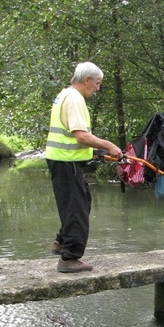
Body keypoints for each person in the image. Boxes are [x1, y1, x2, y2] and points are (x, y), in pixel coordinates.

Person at [46, 62, 123, 273]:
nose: (98, 88)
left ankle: (62, 241)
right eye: (97, 83)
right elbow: (80, 135)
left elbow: (73, 136)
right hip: (65, 161)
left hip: (63, 160)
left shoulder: (64, 94)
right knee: (76, 209)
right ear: (87, 80)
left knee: (83, 202)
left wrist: (98, 152)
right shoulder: (75, 99)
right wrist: (108, 145)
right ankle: (69, 258)